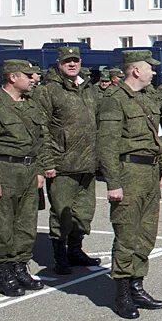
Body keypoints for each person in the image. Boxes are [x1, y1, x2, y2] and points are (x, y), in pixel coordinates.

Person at [96, 50, 162, 319]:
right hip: (128, 172)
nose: (154, 72)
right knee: (127, 234)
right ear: (136, 70)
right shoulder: (114, 101)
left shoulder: (147, 98)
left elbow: (158, 136)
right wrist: (113, 183)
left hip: (150, 173)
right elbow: (107, 146)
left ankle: (138, 285)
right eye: (150, 68)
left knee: (146, 234)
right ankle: (123, 293)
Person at [35, 46, 101, 275]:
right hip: (62, 164)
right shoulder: (49, 90)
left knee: (84, 213)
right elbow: (40, 129)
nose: (72, 64)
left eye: (75, 60)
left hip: (88, 163)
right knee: (61, 213)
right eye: (67, 61)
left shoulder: (89, 89)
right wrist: (47, 162)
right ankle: (59, 255)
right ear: (59, 63)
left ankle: (75, 250)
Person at [0, 60, 47, 297]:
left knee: (26, 224)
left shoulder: (29, 105)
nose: (33, 79)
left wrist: (39, 170)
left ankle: (20, 266)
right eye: (28, 75)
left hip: (28, 171)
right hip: (4, 170)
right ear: (12, 77)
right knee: (2, 226)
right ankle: (3, 270)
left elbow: (40, 140)